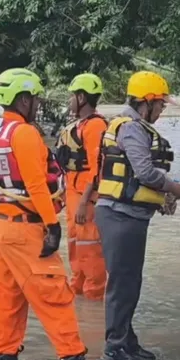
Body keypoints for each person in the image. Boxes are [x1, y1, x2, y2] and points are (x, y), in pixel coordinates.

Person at [0, 68, 97, 360]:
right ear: (23, 99)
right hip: (23, 228)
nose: (38, 105)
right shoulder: (24, 133)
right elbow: (36, 184)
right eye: (35, 99)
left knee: (5, 301)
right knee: (55, 297)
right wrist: (52, 225)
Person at [95, 70, 180, 360]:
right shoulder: (132, 129)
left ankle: (126, 341)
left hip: (128, 215)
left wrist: (160, 200)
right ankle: (114, 349)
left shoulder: (134, 126)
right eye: (160, 104)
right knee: (122, 284)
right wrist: (173, 188)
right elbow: (145, 172)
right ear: (146, 102)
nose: (161, 110)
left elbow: (136, 180)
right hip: (119, 217)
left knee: (130, 282)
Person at [54, 74, 108, 301]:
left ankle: (94, 296)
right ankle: (77, 292)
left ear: (82, 97)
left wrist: (85, 201)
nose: (69, 101)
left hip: (87, 196)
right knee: (76, 244)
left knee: (90, 248)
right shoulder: (77, 125)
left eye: (72, 97)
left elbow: (96, 168)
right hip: (73, 192)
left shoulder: (95, 126)